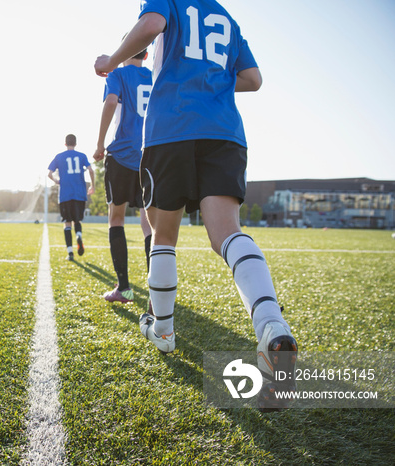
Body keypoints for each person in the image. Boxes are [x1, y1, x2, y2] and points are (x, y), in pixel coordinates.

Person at [94, 0, 298, 411]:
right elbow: (253, 79)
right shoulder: (226, 16)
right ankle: (271, 325)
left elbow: (151, 23)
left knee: (163, 235)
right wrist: (212, 81)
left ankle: (164, 331)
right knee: (227, 234)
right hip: (223, 131)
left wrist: (110, 60)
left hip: (172, 128)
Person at [93, 45, 153, 304]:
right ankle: (156, 291)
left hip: (122, 155)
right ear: (147, 55)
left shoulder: (117, 74)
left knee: (116, 219)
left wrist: (99, 143)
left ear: (124, 49)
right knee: (150, 223)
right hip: (151, 155)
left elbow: (110, 101)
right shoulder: (155, 75)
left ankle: (124, 289)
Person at [48, 134, 95, 261]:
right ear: (75, 143)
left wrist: (57, 181)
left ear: (65, 143)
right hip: (79, 194)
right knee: (77, 221)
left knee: (67, 223)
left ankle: (70, 253)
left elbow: (49, 174)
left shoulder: (59, 156)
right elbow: (91, 170)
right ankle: (78, 235)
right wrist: (92, 186)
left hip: (65, 194)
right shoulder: (82, 156)